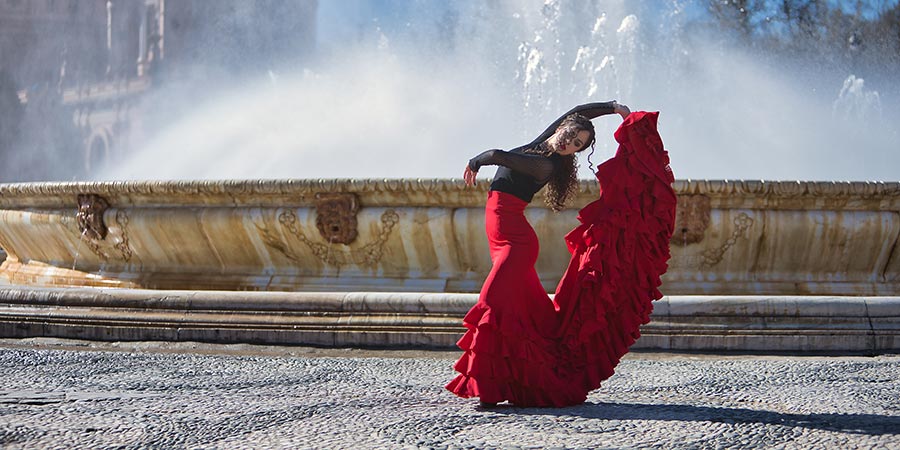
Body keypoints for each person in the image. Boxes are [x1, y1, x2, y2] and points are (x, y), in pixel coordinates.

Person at [445, 101, 632, 408]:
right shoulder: (541, 145)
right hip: (500, 236)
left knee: (491, 304)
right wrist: (614, 108)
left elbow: (496, 156)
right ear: (563, 126)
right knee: (526, 317)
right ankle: (516, 381)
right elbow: (579, 110)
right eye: (571, 135)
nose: (570, 144)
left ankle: (484, 385)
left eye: (577, 146)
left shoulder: (544, 164)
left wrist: (475, 161)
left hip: (516, 244)